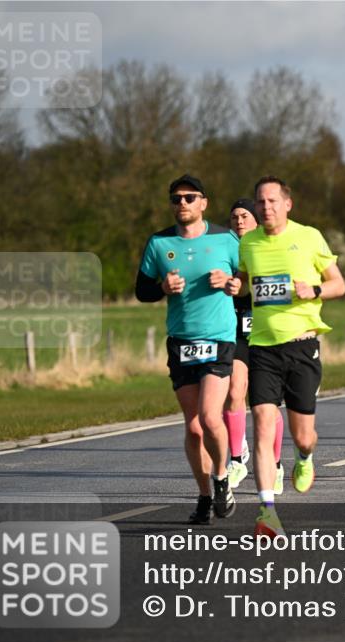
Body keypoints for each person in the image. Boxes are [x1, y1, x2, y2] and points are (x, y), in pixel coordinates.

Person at [236, 176, 345, 537]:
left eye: (271, 201)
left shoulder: (309, 237)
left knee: (303, 436)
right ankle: (267, 512)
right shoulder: (249, 243)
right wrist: (234, 285)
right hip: (263, 347)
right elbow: (244, 280)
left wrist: (313, 288)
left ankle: (305, 457)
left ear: (287, 204)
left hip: (302, 345)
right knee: (263, 427)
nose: (265, 207)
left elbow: (339, 283)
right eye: (260, 202)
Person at [135, 174, 238, 524]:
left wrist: (230, 283)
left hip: (220, 338)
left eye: (190, 197)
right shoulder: (159, 243)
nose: (183, 203)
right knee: (193, 428)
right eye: (176, 198)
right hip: (181, 342)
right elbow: (142, 291)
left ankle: (222, 477)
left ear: (203, 202)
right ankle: (204, 496)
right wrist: (162, 286)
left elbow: (248, 282)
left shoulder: (226, 238)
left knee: (211, 417)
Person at [223, 199, 285, 492]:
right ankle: (236, 458)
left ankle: (276, 464)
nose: (239, 221)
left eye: (244, 215)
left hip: (265, 331)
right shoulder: (223, 249)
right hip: (235, 329)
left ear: (256, 221)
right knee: (235, 390)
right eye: (234, 216)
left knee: (267, 405)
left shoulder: (267, 246)